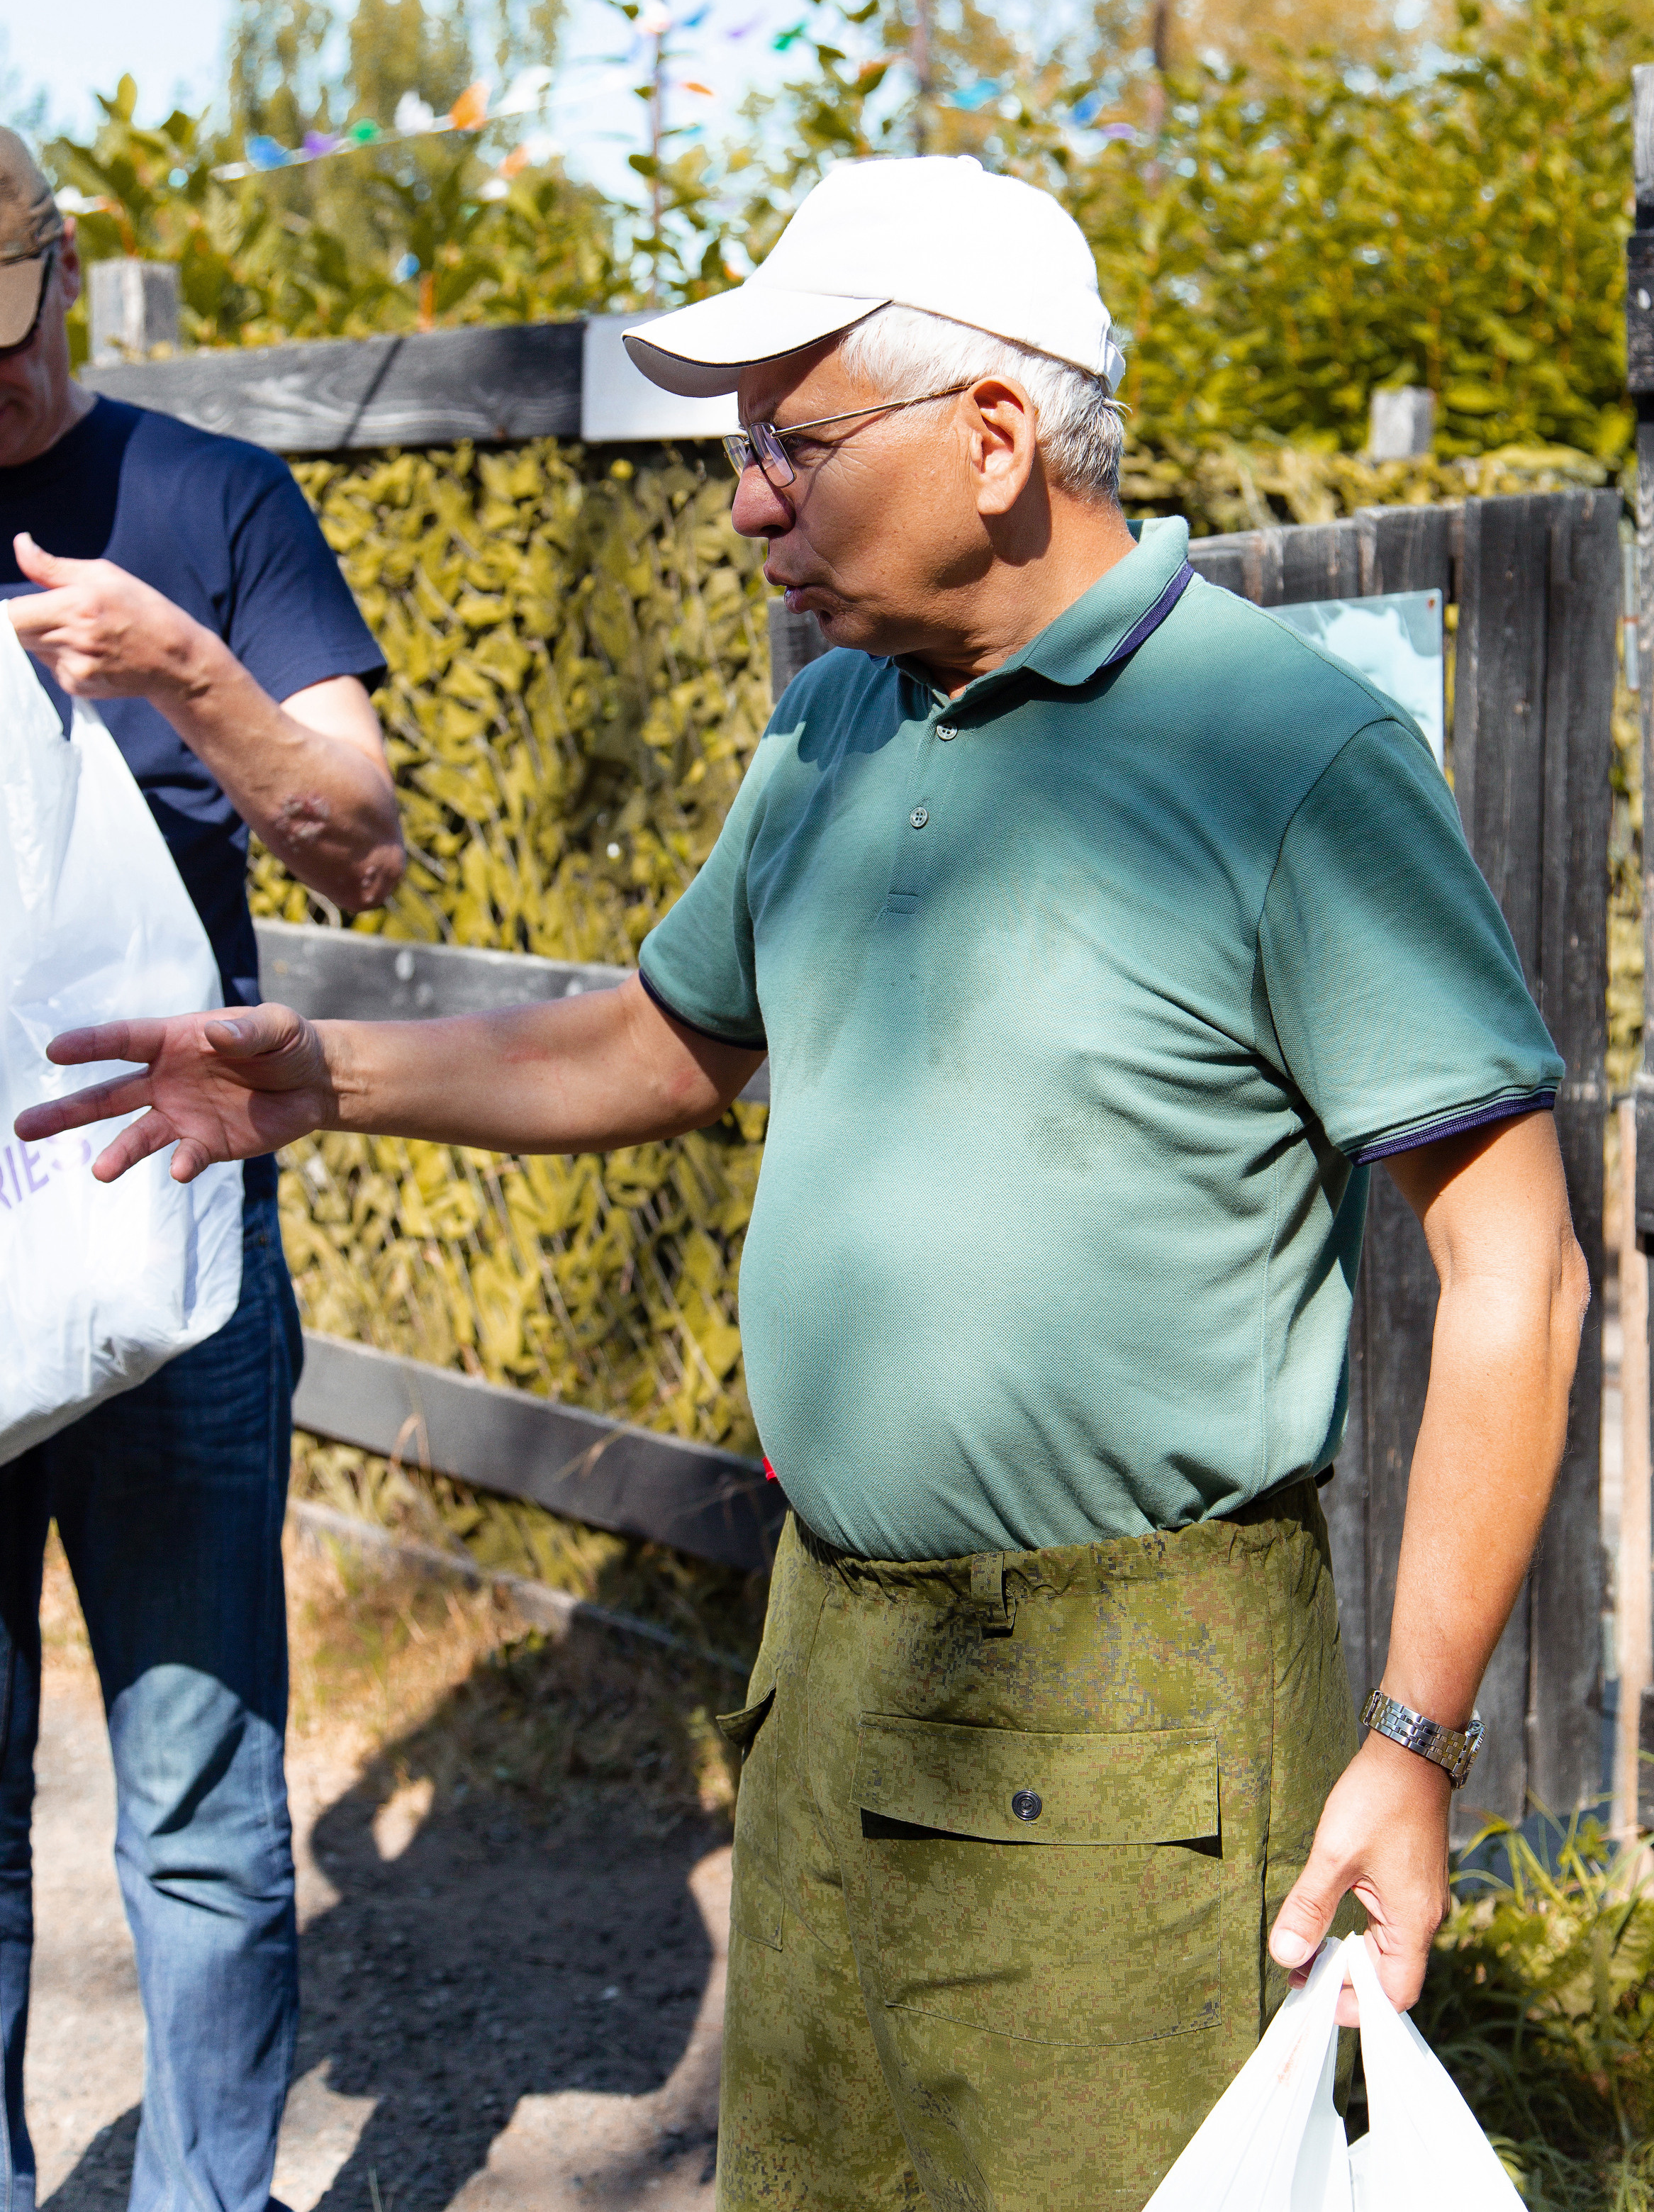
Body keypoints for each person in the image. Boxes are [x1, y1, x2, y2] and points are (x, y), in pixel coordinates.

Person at [16, 154, 1587, 2212]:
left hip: (1139, 1717)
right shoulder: (843, 718)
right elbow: (667, 1039)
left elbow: (1517, 1270)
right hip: (837, 1671)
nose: (747, 498)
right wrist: (325, 1075)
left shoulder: (1281, 752)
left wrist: (1415, 1740)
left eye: (791, 440)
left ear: (998, 436)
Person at [0, 125, 404, 2212]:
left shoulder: (212, 505)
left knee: (198, 1793)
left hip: (168, 1222)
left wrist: (187, 672)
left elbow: (362, 833)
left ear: (61, 275)